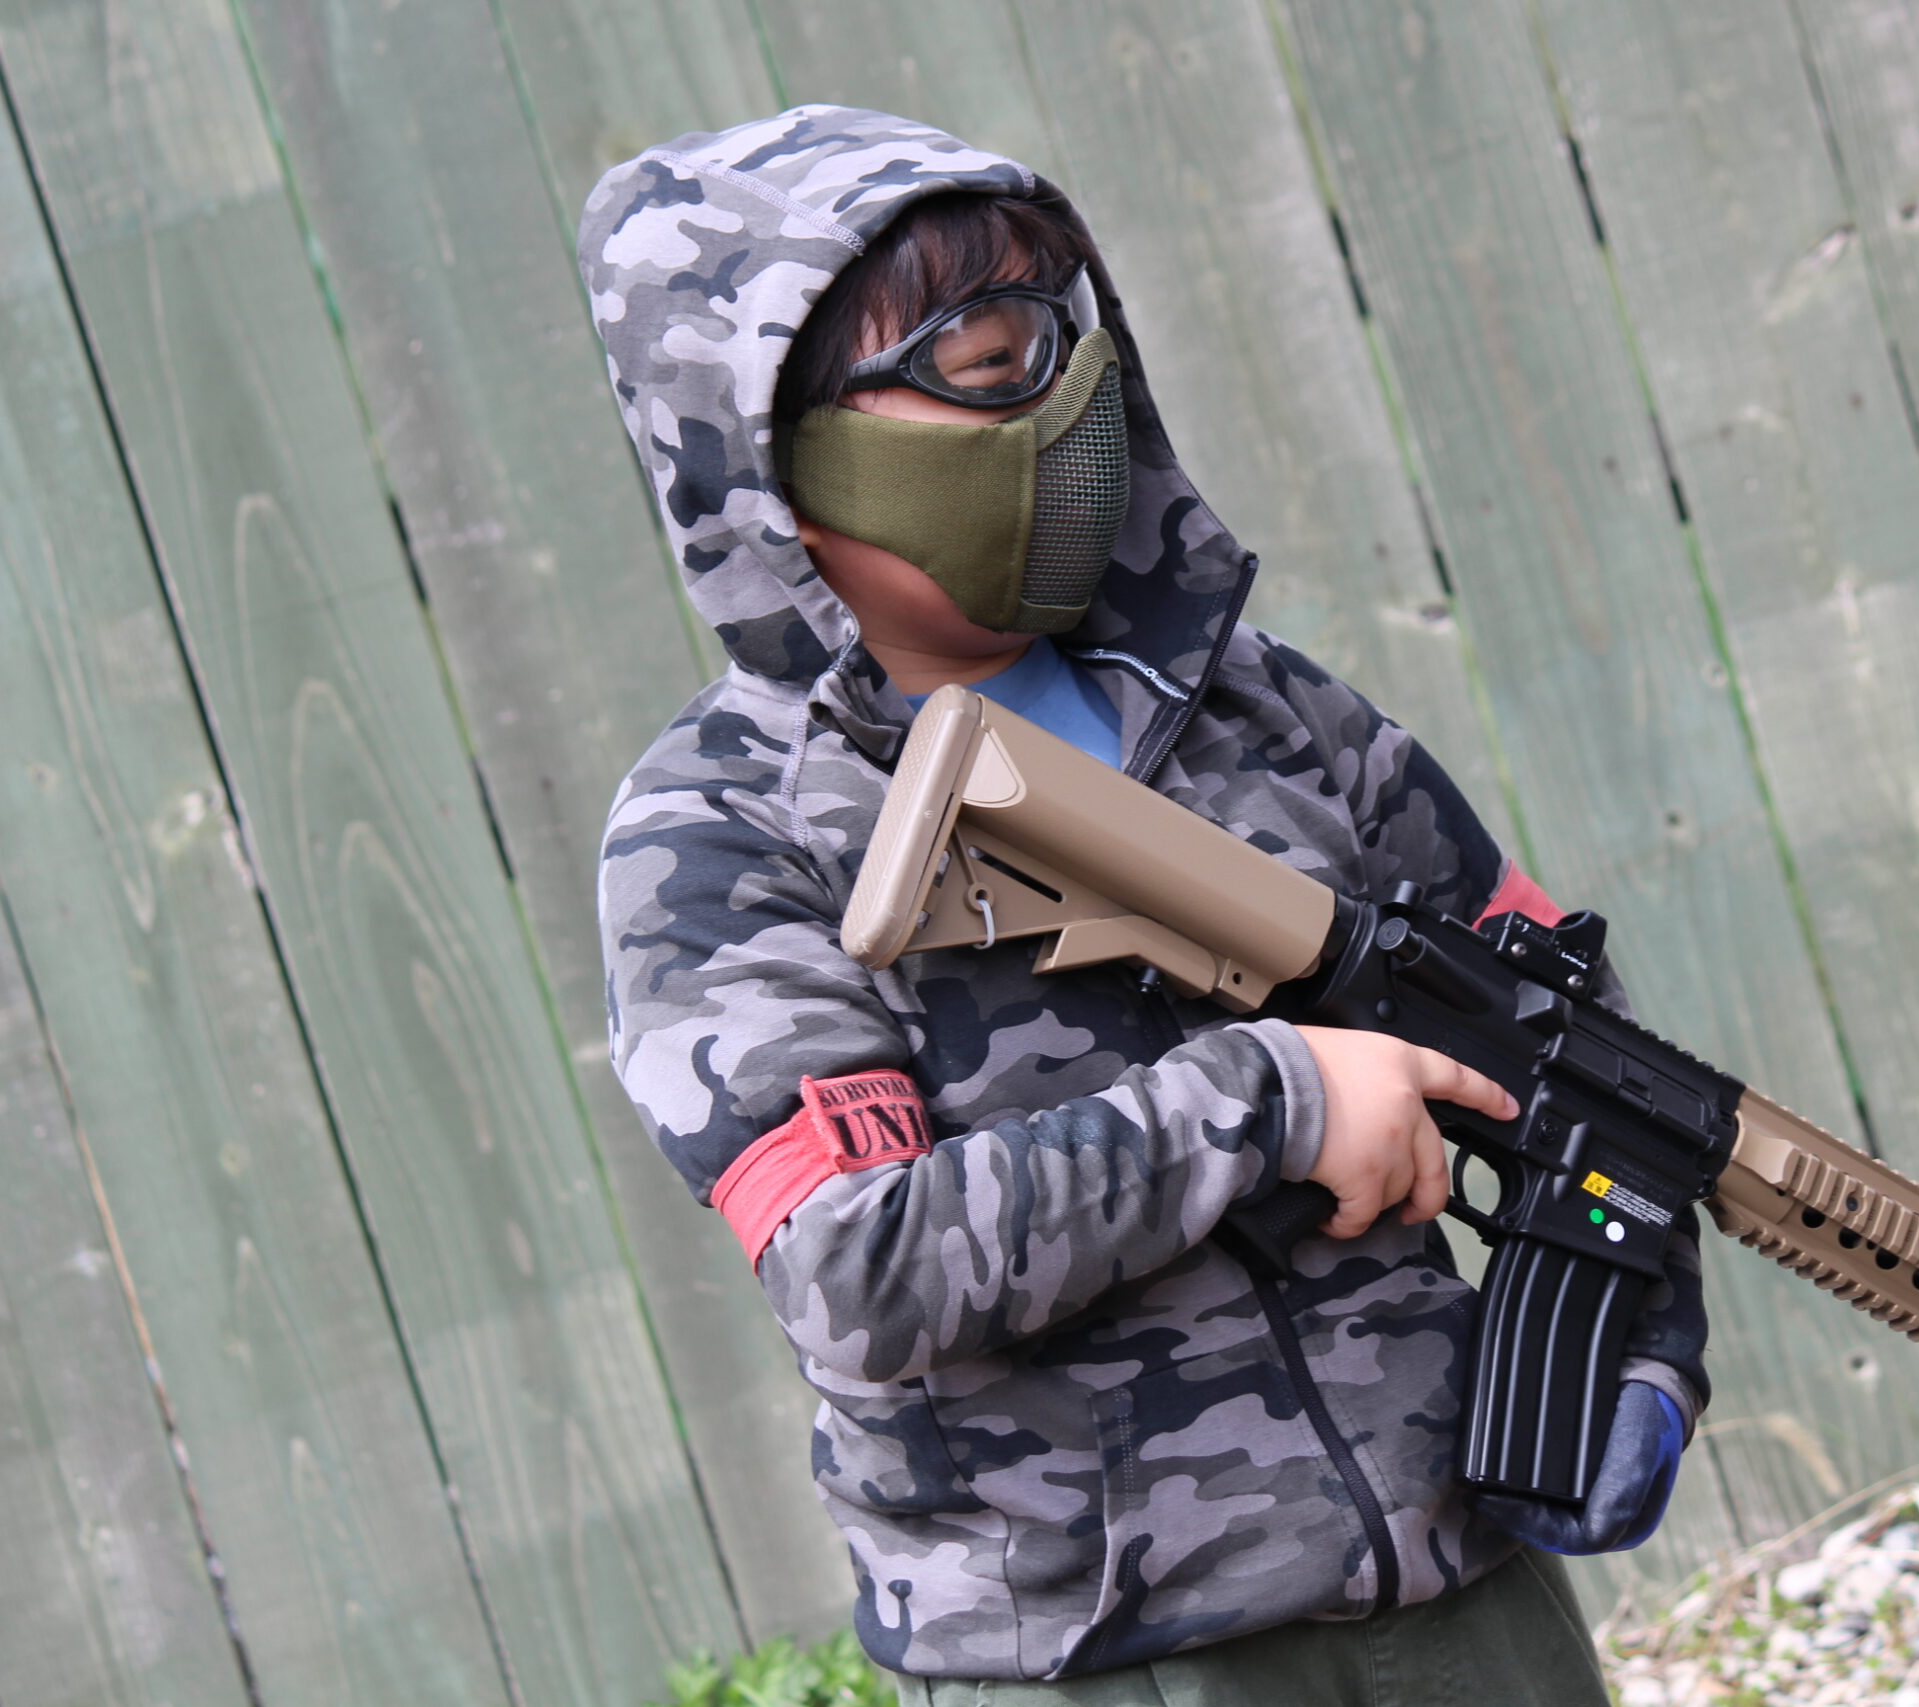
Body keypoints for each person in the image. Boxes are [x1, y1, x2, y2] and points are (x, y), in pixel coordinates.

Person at [581, 106, 1709, 1702]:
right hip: (1099, 1656)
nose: (1057, 405)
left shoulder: (1262, 706)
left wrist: (1642, 1342)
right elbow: (858, 1268)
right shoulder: (724, 835)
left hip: (1463, 1597)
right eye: (985, 363)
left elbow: (1571, 1050)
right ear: (770, 448)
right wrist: (1274, 1100)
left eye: (1066, 340)